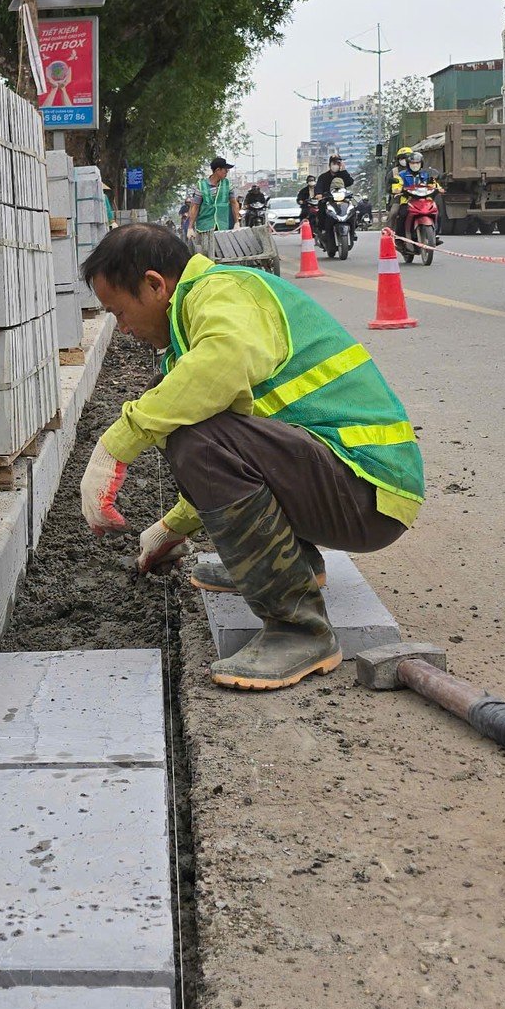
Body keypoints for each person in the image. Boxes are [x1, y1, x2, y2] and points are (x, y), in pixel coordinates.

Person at [76, 224, 423, 688]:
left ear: (156, 284)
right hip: (351, 486)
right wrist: (171, 528)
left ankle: (300, 630)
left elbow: (222, 372)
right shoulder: (193, 324)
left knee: (194, 435)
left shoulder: (221, 292)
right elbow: (246, 458)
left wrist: (113, 447)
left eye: (119, 310)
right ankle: (296, 568)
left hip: (368, 488)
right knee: (191, 423)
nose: (123, 328)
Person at [389, 150, 444, 244]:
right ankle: (400, 238)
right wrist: (397, 189)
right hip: (407, 201)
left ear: (421, 163)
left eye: (417, 163)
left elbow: (433, 184)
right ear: (408, 164)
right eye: (412, 163)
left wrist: (439, 188)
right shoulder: (401, 175)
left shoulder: (426, 174)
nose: (415, 165)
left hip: (425, 200)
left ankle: (435, 234)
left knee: (437, 213)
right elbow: (397, 185)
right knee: (402, 214)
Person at [311, 153, 355, 236]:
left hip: (342, 199)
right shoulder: (323, 177)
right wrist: (319, 194)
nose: (336, 166)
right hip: (328, 199)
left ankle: (353, 231)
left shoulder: (343, 175)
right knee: (321, 209)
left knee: (352, 209)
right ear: (330, 165)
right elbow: (318, 187)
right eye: (334, 163)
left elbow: (350, 182)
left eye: (338, 164)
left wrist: (344, 171)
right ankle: (322, 230)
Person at [193, 156, 237, 233]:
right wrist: (190, 227)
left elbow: (234, 203)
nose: (227, 172)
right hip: (205, 227)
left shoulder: (227, 184)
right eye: (225, 170)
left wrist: (237, 222)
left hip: (222, 226)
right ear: (218, 170)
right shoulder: (201, 185)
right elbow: (195, 206)